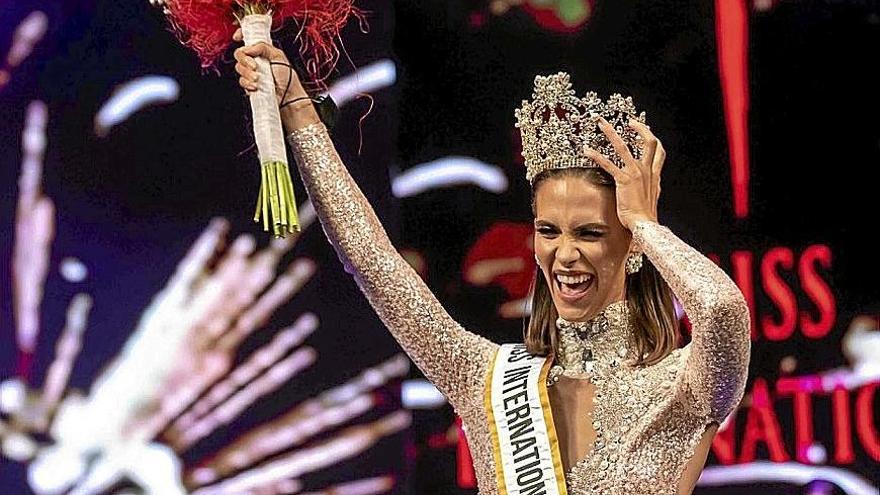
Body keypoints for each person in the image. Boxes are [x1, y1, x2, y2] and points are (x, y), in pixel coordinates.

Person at [232, 33, 751, 494]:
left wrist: (646, 224)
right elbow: (372, 262)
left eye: (590, 233)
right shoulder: (485, 379)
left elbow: (724, 311)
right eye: (548, 231)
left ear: (632, 246)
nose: (564, 254)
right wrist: (299, 110)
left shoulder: (684, 388)